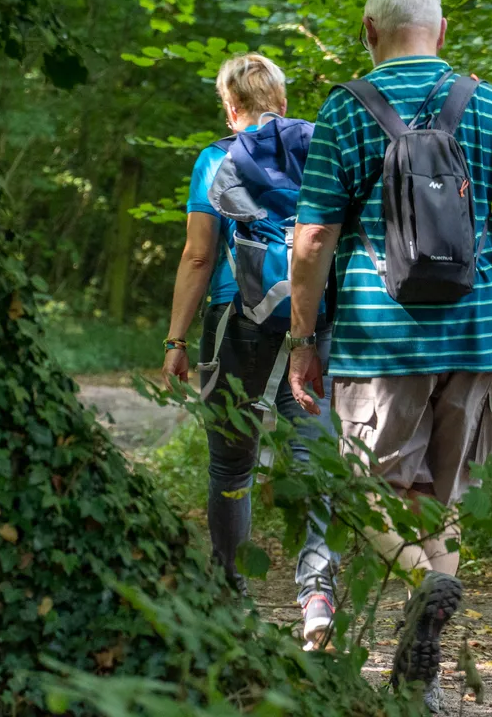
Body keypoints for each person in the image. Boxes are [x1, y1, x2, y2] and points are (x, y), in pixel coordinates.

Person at [285, 0, 492, 712]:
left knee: (367, 491)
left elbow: (312, 238)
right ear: (440, 33)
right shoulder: (490, 105)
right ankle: (425, 678)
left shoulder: (345, 110)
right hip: (475, 339)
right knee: (445, 498)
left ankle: (419, 578)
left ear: (370, 32)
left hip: (379, 342)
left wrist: (302, 338)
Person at [162, 53, 340, 650]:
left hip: (231, 316)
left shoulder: (215, 158)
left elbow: (197, 255)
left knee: (230, 462)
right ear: (282, 102)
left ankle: (230, 593)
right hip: (311, 322)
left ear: (230, 107)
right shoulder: (321, 148)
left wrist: (176, 340)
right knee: (313, 454)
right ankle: (317, 593)